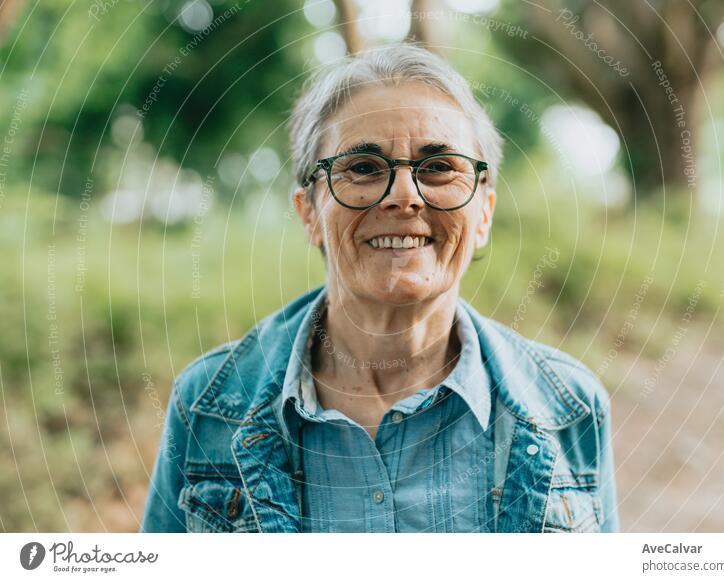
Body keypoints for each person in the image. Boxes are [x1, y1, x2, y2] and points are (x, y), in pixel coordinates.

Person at [140, 44, 618, 533]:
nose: (404, 196)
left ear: (484, 215)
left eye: (438, 167)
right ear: (309, 213)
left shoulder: (570, 407)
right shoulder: (207, 407)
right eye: (364, 168)